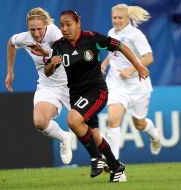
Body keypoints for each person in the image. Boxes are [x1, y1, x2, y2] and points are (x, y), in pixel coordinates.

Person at [44, 10, 149, 182]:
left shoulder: (92, 38)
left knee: (72, 120)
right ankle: (116, 168)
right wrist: (51, 65)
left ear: (78, 23)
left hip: (96, 91)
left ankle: (96, 158)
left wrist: (138, 67)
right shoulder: (58, 46)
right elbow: (48, 71)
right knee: (94, 135)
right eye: (61, 25)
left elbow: (121, 46)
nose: (64, 28)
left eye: (68, 24)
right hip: (76, 94)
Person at [5, 7, 73, 165]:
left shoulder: (55, 33)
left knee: (89, 127)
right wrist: (10, 70)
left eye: (39, 29)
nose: (36, 33)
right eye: (32, 29)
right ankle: (64, 138)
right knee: (40, 122)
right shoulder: (25, 38)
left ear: (47, 24)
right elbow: (11, 43)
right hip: (48, 85)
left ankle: (108, 160)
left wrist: (45, 53)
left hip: (72, 84)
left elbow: (66, 56)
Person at [101, 4, 162, 180]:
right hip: (116, 84)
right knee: (113, 120)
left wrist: (131, 70)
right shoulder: (112, 32)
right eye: (114, 18)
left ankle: (154, 135)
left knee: (139, 124)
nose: (117, 21)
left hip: (137, 86)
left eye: (120, 18)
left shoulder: (136, 35)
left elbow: (149, 57)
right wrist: (104, 64)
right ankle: (116, 168)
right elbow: (113, 53)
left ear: (127, 18)